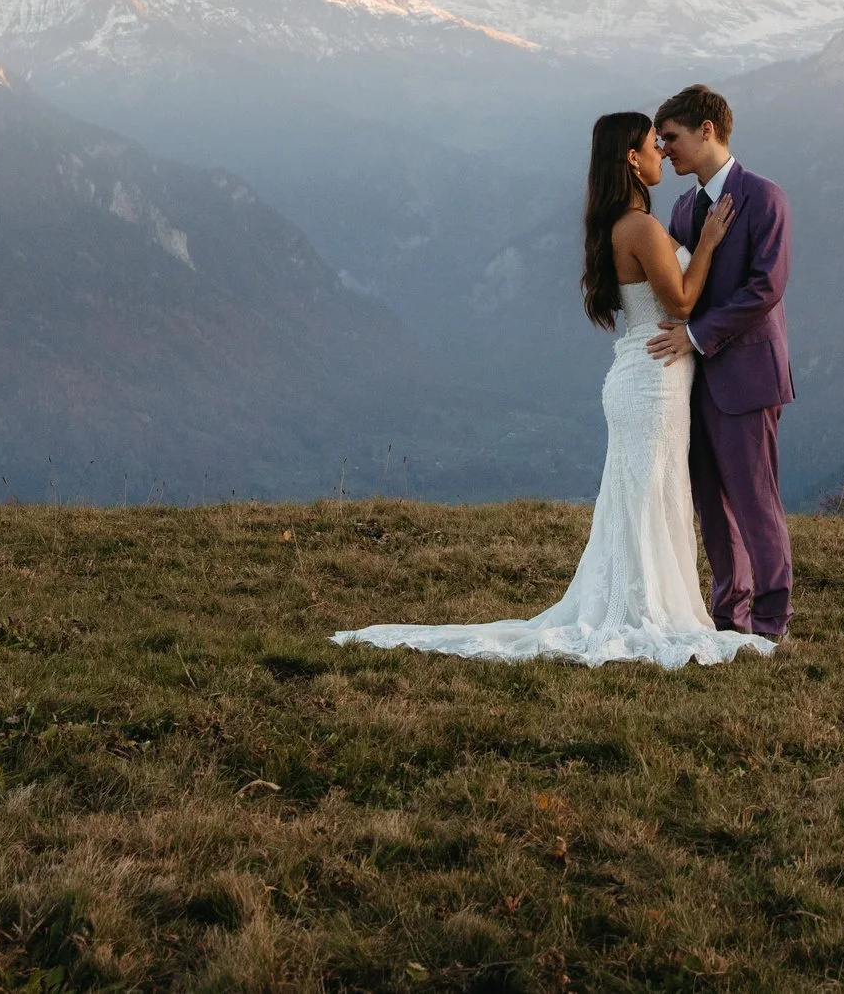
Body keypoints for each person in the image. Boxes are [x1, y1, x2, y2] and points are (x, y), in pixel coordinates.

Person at [330, 106, 778, 666]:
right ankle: (645, 610)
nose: (662, 152)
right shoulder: (639, 227)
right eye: (652, 145)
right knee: (646, 499)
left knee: (646, 498)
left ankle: (647, 601)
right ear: (632, 160)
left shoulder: (628, 223)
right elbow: (682, 301)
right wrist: (709, 242)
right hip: (652, 382)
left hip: (645, 375)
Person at [646, 85, 795, 640]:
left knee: (757, 502)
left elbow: (766, 288)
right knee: (711, 506)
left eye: (672, 137)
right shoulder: (685, 209)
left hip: (748, 377)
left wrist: (697, 336)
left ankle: (771, 621)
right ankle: (728, 618)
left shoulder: (765, 198)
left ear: (707, 130)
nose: (664, 150)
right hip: (694, 383)